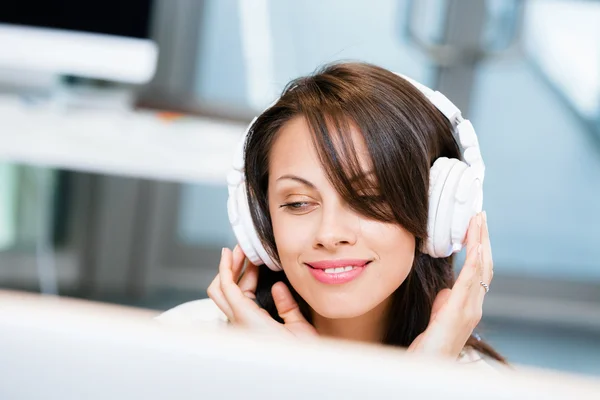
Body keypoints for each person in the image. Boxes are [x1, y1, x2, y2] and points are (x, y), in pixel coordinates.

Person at [157, 62, 506, 368]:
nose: (329, 234)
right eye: (298, 203)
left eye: (368, 198)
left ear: (437, 213)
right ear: (260, 219)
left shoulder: (481, 386)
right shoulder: (178, 345)